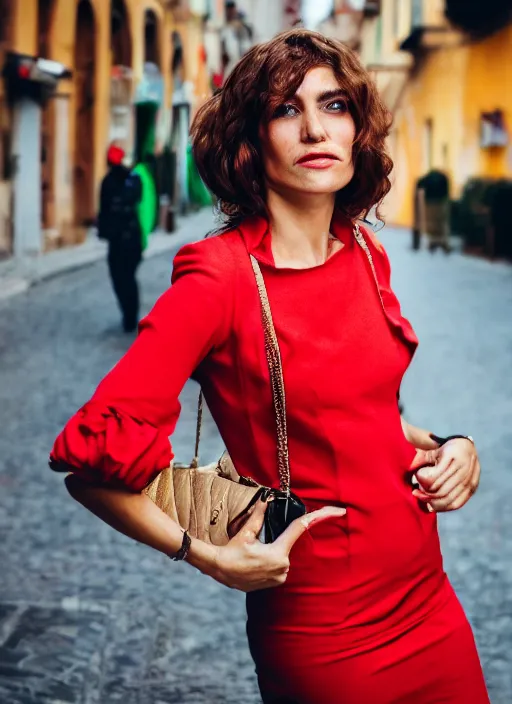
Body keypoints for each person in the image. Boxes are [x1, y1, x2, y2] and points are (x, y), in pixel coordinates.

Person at [49, 31, 489, 704]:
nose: (315, 128)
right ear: (251, 142)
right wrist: (207, 555)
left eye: (334, 105)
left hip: (430, 600)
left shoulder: (366, 252)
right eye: (286, 110)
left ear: (357, 128)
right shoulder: (218, 280)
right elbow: (90, 464)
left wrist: (452, 446)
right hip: (329, 634)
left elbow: (365, 419)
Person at [97, 143, 143, 333]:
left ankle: (129, 316)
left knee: (120, 278)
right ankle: (130, 316)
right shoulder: (133, 179)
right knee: (128, 278)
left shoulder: (112, 181)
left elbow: (105, 210)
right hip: (131, 239)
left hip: (120, 240)